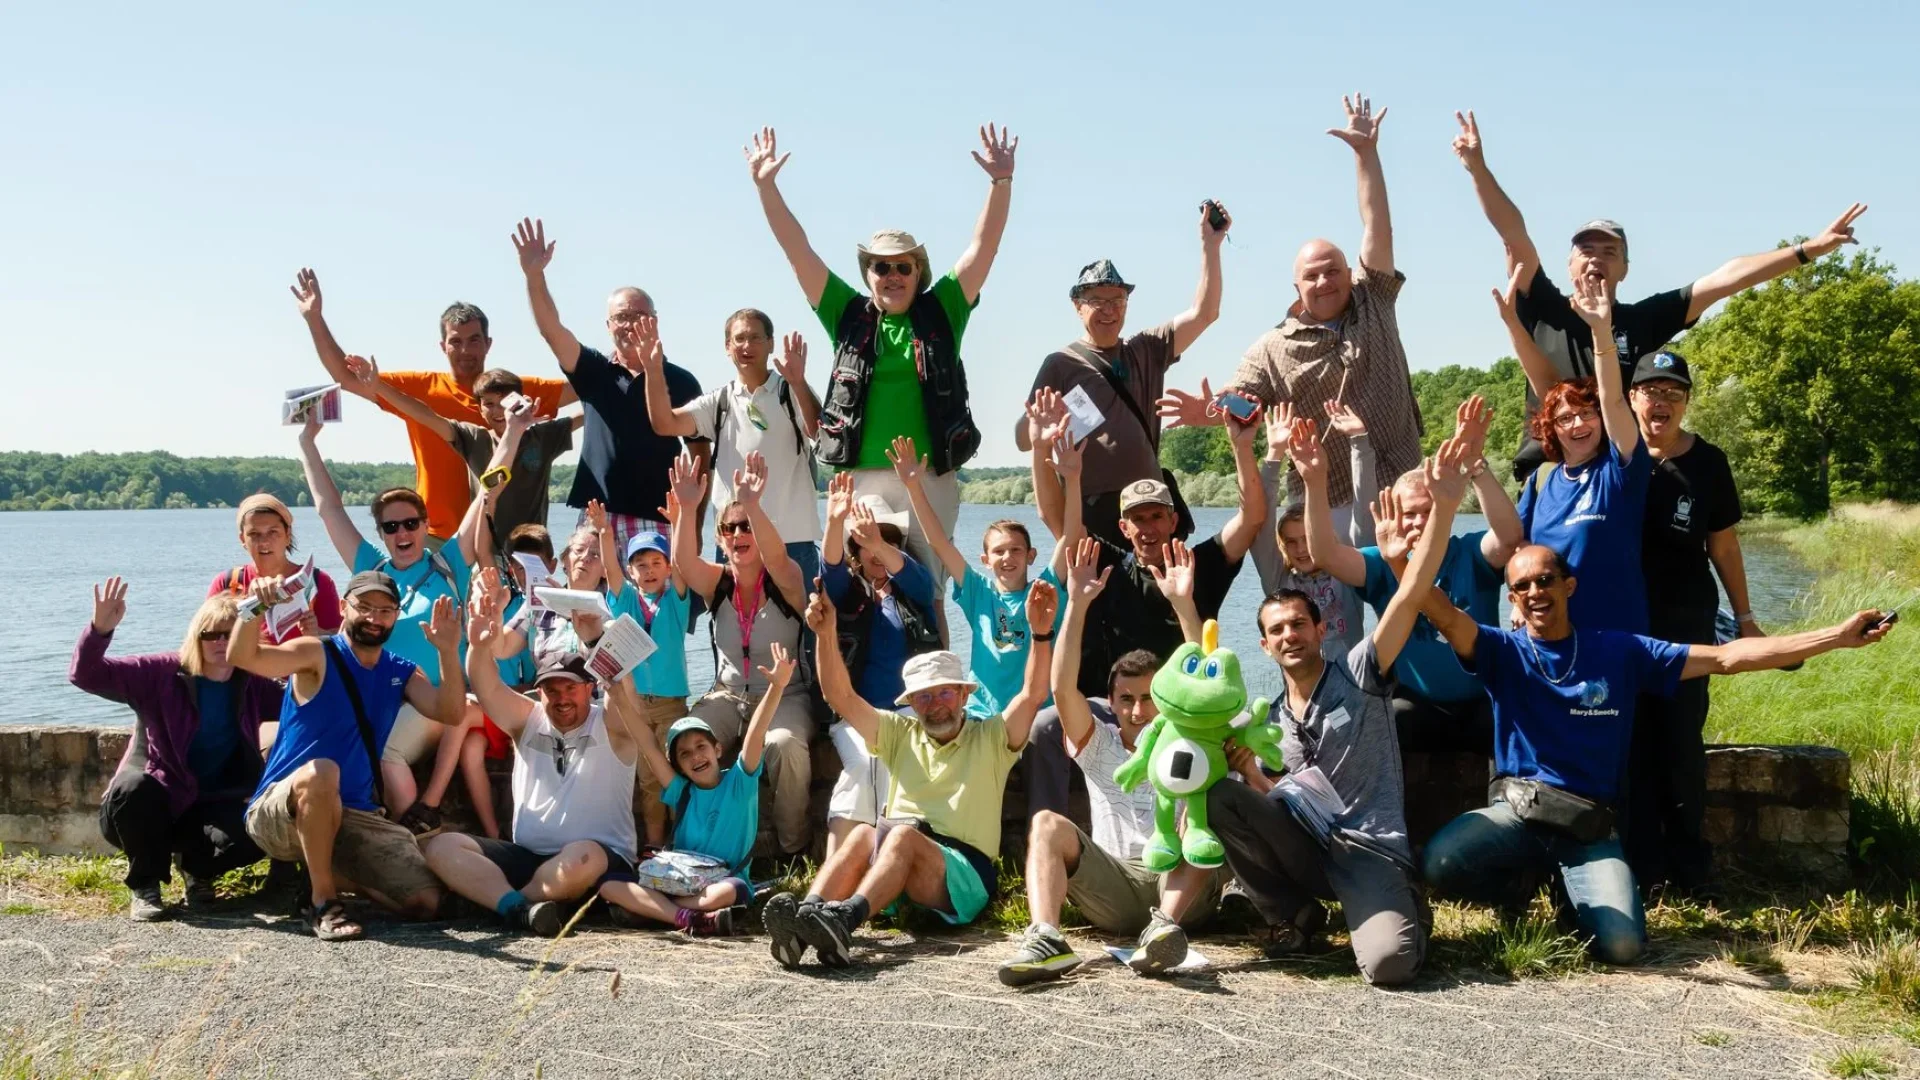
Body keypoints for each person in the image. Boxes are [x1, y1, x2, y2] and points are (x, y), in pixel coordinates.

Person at [1420, 543, 1894, 962]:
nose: (1535, 591)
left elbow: (1726, 658)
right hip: (1519, 816)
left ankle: (1571, 895)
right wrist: (1401, 556)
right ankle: (1519, 888)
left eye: (1546, 580)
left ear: (1569, 585)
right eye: (1522, 585)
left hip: (1588, 828)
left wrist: (1836, 637)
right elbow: (1440, 611)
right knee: (1440, 862)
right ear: (1513, 599)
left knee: (1623, 947)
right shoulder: (1502, 651)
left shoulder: (1619, 651)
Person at [1449, 109, 1868, 480]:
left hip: (1622, 472)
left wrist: (1807, 250)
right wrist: (1477, 169)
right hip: (1551, 468)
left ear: (1625, 269)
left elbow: (1725, 280)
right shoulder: (1543, 308)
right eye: (1586, 251)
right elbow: (1512, 235)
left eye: (1609, 252)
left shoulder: (1642, 320)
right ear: (1570, 265)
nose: (1596, 259)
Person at [1205, 426, 1474, 986]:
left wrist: (1442, 512)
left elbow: (1408, 596)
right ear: (1264, 645)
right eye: (1276, 630)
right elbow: (1285, 797)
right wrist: (1248, 770)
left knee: (1389, 967)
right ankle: (1292, 917)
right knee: (1222, 795)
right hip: (1312, 848)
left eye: (1299, 625)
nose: (1289, 636)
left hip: (1369, 850)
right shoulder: (1273, 716)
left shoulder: (1359, 670)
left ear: (1320, 627)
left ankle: (1402, 908)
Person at [745, 123, 1017, 610]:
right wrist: (767, 187)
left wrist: (1000, 183)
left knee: (926, 590)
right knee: (861, 595)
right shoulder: (845, 314)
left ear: (918, 272)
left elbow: (984, 247)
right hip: (860, 481)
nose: (892, 275)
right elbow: (797, 250)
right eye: (881, 267)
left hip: (928, 479)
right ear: (868, 274)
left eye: (902, 267)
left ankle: (934, 684)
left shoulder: (944, 310)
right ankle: (864, 687)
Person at [1158, 95, 1422, 526]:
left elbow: (1377, 223)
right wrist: (1206, 410)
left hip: (1403, 491)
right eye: (1312, 276)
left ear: (1349, 270)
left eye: (1333, 271)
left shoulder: (1375, 295)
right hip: (1325, 504)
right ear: (1296, 287)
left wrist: (1366, 154)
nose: (1324, 282)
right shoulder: (1271, 348)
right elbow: (1239, 403)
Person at [763, 580, 1056, 969]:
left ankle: (843, 920)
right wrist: (826, 634)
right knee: (866, 832)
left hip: (964, 879)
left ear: (964, 694)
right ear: (911, 703)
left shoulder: (991, 737)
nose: (935, 705)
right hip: (897, 867)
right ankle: (804, 924)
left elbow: (1034, 693)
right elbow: (840, 696)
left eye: (944, 693)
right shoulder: (901, 733)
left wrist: (1039, 632)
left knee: (900, 834)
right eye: (923, 696)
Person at [998, 539, 1221, 985]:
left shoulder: (1186, 737)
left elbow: (1206, 680)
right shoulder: (1097, 743)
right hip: (1114, 883)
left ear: (1164, 699)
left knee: (1204, 816)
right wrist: (1076, 606)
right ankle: (1046, 940)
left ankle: (1163, 930)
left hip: (1178, 882)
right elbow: (1061, 691)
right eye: (1126, 700)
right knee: (1045, 823)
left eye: (1148, 700)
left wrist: (1182, 603)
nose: (1138, 711)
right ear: (1111, 702)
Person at [228, 571, 465, 941]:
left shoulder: (399, 671)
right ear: (343, 607)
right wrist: (254, 608)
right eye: (365, 607)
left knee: (426, 902)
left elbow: (451, 713)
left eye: (386, 610)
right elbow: (243, 657)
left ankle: (324, 872)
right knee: (323, 772)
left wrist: (448, 651)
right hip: (281, 811)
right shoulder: (315, 653)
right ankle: (322, 902)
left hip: (354, 816)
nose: (374, 618)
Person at [1301, 395, 1523, 753]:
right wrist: (1314, 481)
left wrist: (1474, 465)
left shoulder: (1469, 551)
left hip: (1482, 699)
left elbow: (1511, 536)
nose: (1418, 522)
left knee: (1507, 721)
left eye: (1427, 511)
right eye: (1409, 514)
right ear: (1394, 515)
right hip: (1417, 703)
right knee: (1392, 723)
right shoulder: (1381, 561)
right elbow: (1324, 555)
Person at [1622, 349, 1766, 890]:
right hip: (1621, 622)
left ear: (1685, 403)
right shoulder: (1615, 455)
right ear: (1632, 398)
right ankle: (1638, 864)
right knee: (1630, 740)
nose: (1661, 401)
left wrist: (1746, 618)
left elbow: (1724, 546)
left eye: (1673, 393)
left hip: (1686, 619)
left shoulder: (1709, 462)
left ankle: (1687, 864)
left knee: (1681, 741)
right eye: (1650, 391)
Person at [289, 268, 570, 542]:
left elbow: (585, 387)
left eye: (474, 341)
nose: (465, 351)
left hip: (504, 542)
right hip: (438, 538)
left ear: (488, 343)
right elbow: (345, 377)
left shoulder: (516, 390)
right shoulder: (421, 389)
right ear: (442, 346)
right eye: (455, 342)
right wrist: (314, 317)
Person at [297, 417, 480, 831]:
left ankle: (412, 828)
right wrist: (307, 442)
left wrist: (513, 435)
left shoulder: (449, 564)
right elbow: (329, 508)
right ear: (380, 533)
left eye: (411, 523)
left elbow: (484, 496)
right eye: (391, 526)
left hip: (433, 699)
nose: (403, 533)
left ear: (424, 525)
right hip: (381, 695)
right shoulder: (370, 569)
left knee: (388, 754)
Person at [1017, 202, 1231, 546]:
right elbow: (1023, 438)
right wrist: (1051, 424)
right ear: (1077, 305)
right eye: (1098, 301)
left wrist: (1210, 246)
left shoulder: (1146, 348)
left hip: (1150, 503)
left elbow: (1206, 313)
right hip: (1092, 508)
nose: (1109, 310)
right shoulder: (1060, 363)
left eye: (1117, 300)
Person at [427, 601, 642, 938]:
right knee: (442, 847)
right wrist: (481, 647)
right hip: (528, 858)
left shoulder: (614, 726)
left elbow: (624, 693)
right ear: (537, 691)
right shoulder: (529, 721)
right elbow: (487, 688)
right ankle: (518, 910)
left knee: (582, 856)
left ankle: (504, 903)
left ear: (591, 687)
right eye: (551, 690)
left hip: (597, 863)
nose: (561, 698)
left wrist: (594, 639)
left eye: (571, 688)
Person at [70, 579, 280, 921]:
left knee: (260, 827)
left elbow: (303, 703)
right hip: (153, 804)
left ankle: (198, 872)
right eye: (211, 634)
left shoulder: (253, 684)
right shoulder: (160, 673)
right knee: (133, 788)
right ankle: (146, 885)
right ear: (196, 636)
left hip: (209, 804)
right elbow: (86, 675)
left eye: (230, 634)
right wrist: (99, 630)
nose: (220, 642)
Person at [1039, 394, 1265, 698]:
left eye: (1157, 516)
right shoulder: (1105, 565)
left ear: (1172, 523)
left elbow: (1251, 518)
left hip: (1178, 709)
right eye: (1137, 519)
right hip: (1109, 711)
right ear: (1124, 528)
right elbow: (1057, 520)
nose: (1148, 528)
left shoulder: (1197, 566)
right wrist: (1052, 459)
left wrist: (1241, 446)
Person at [511, 218, 708, 557]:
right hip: (597, 519)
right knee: (591, 610)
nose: (629, 324)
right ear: (608, 325)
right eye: (621, 317)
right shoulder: (594, 371)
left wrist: (693, 523)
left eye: (639, 315)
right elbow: (552, 331)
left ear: (655, 321)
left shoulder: (682, 380)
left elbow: (701, 455)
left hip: (660, 519)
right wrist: (535, 277)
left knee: (660, 611)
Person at [666, 451, 815, 860]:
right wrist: (690, 508)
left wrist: (752, 503)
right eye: (728, 528)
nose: (737, 533)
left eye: (745, 527)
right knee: (684, 735)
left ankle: (792, 851)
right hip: (727, 696)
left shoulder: (786, 580)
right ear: (719, 539)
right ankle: (691, 840)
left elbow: (780, 557)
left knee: (784, 745)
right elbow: (683, 562)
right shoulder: (717, 584)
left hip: (786, 696)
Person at [595, 647, 799, 936]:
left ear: (717, 749)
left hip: (719, 882)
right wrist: (618, 697)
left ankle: (661, 911)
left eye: (701, 747)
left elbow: (755, 732)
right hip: (674, 880)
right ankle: (689, 917)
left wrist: (776, 688)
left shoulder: (740, 782)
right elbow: (647, 744)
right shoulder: (682, 791)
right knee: (609, 885)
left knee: (732, 890)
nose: (695, 757)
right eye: (684, 753)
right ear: (677, 764)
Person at [1498, 272, 1651, 633]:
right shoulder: (1542, 479)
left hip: (1615, 636)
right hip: (1548, 638)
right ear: (1551, 429)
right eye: (1565, 418)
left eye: (1587, 413)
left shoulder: (1618, 468)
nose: (1578, 424)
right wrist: (1520, 597)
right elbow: (1517, 542)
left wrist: (1601, 329)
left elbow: (1613, 398)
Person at [890, 432, 1070, 718]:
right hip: (983, 715)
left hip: (1037, 714)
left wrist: (1072, 480)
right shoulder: (979, 592)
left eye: (1016, 550)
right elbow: (939, 542)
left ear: (1031, 555)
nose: (1007, 558)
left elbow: (1070, 538)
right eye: (999, 552)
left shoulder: (1044, 591)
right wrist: (913, 486)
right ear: (986, 560)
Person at [639, 309, 824, 585]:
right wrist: (653, 372)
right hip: (735, 545)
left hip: (792, 543)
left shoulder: (791, 392)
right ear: (727, 347)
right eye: (739, 339)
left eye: (755, 338)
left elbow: (818, 430)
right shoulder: (719, 401)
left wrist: (798, 382)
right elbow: (665, 424)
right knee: (734, 629)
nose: (746, 346)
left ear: (770, 343)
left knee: (805, 628)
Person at [343, 356, 580, 553]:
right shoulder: (474, 438)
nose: (497, 411)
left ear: (518, 400)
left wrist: (609, 373)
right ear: (479, 408)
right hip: (485, 554)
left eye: (504, 402)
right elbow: (425, 415)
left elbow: (593, 409)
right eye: (488, 404)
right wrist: (378, 388)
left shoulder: (543, 436)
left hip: (531, 551)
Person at [818, 473, 940, 849]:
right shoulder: (849, 594)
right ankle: (840, 873)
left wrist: (876, 541)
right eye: (865, 541)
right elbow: (831, 571)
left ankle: (880, 866)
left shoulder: (915, 590)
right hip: (855, 712)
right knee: (864, 763)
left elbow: (920, 582)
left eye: (886, 538)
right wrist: (836, 522)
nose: (875, 549)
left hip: (910, 713)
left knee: (891, 761)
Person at [595, 505, 693, 849]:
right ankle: (653, 848)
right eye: (640, 564)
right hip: (635, 705)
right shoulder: (625, 603)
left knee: (678, 774)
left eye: (656, 563)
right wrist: (605, 533)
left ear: (667, 567)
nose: (649, 570)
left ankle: (683, 844)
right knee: (649, 781)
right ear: (631, 571)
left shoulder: (677, 601)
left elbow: (683, 565)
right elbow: (609, 569)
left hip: (671, 704)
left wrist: (680, 521)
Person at [1251, 401, 1376, 662]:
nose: (1300, 549)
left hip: (1348, 685)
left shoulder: (1345, 573)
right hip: (1303, 689)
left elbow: (1364, 515)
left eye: (1307, 539)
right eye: (1291, 541)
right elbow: (1259, 527)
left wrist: (1359, 442)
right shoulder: (1279, 581)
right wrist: (1274, 454)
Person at [208, 493, 341, 644]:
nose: (264, 542)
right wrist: (252, 605)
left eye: (273, 532)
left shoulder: (317, 581)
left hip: (300, 666)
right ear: (243, 540)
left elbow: (340, 642)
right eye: (254, 534)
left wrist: (318, 634)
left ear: (288, 535)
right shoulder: (228, 583)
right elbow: (206, 641)